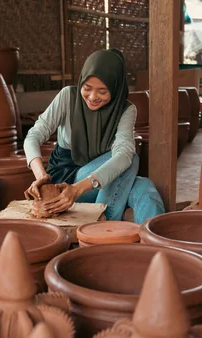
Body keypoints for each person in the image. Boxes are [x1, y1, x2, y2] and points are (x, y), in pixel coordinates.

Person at [23, 48, 164, 223]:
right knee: (131, 161)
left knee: (145, 188)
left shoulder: (125, 109)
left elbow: (123, 153)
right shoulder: (67, 97)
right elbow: (33, 136)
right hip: (65, 185)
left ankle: (156, 244)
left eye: (102, 91)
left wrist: (78, 189)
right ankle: (103, 229)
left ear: (116, 87)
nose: (92, 97)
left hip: (88, 186)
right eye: (87, 88)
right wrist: (41, 177)